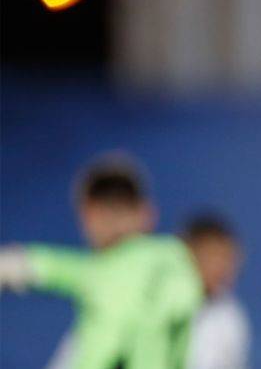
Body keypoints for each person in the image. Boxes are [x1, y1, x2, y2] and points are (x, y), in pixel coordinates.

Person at [0, 153, 203, 369]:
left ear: (89, 214)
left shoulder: (102, 274)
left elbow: (33, 265)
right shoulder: (178, 259)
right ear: (147, 212)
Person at [181, 213, 251, 369]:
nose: (223, 268)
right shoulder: (160, 302)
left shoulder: (230, 315)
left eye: (228, 259)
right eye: (214, 256)